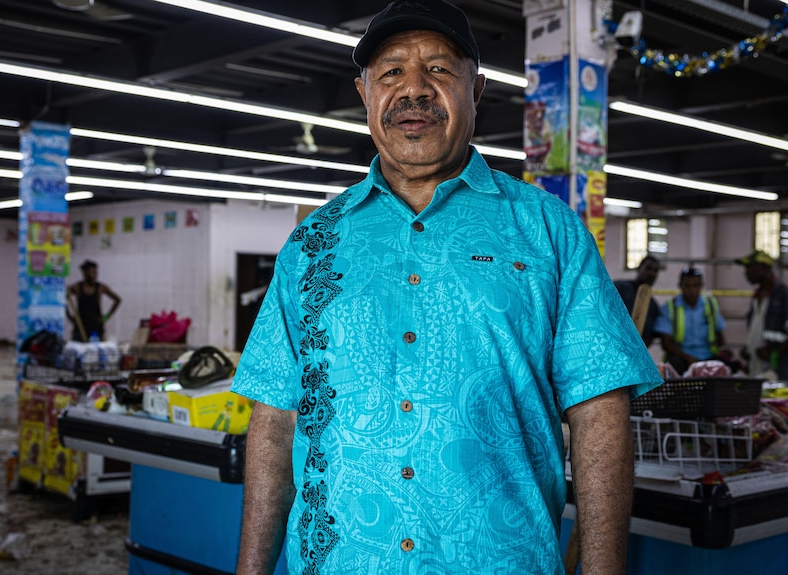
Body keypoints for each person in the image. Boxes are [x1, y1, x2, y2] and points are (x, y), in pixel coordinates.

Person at [231, 2, 662, 574]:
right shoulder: (312, 244)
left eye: (438, 69)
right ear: (364, 93)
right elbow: (276, 421)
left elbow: (599, 410)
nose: (414, 89)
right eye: (390, 72)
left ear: (476, 89)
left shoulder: (547, 230)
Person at [654, 267, 725, 375]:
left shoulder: (711, 305)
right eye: (687, 285)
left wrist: (723, 352)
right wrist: (690, 359)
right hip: (682, 358)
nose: (692, 290)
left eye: (695, 285)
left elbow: (720, 336)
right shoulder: (669, 308)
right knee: (673, 364)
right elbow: (666, 344)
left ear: (701, 286)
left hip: (707, 357)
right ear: (680, 286)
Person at [736, 249, 788, 377]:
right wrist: (749, 350)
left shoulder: (783, 295)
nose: (746, 273)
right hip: (756, 367)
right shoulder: (757, 297)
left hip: (777, 368)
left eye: (749, 268)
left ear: (764, 269)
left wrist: (773, 352)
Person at [66, 260, 121, 342]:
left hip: (96, 327)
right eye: (93, 273)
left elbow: (117, 300)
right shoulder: (77, 288)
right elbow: (61, 299)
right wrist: (70, 317)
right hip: (80, 327)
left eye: (96, 273)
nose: (95, 276)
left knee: (95, 352)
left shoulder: (101, 287)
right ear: (85, 273)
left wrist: (105, 317)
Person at [614, 255, 661, 345]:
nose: (651, 273)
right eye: (648, 268)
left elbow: (651, 336)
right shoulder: (619, 288)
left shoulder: (653, 306)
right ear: (639, 268)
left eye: (655, 271)